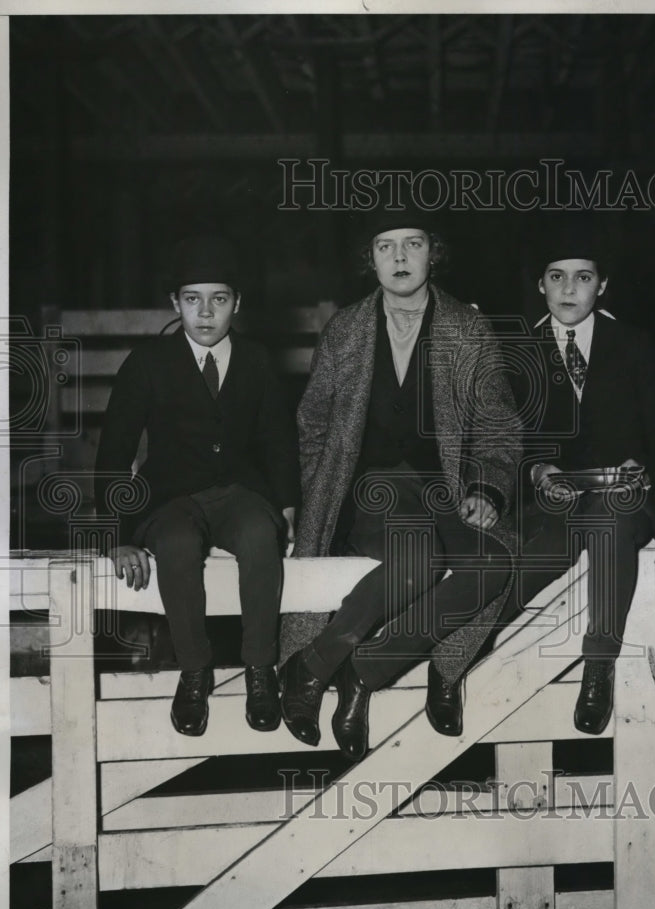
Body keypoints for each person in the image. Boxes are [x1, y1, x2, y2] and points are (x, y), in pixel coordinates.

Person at [279, 213, 522, 762]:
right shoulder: (345, 329)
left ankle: (346, 667)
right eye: (385, 246)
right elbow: (312, 425)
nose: (400, 257)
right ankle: (328, 663)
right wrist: (310, 505)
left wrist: (487, 487)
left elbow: (498, 426)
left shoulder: (467, 328)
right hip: (372, 490)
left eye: (413, 244)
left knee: (492, 563)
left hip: (447, 489)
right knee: (417, 561)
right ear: (370, 259)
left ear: (433, 253)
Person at [94, 235, 300, 736]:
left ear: (237, 303)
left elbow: (278, 438)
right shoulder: (147, 363)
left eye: (219, 299)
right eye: (192, 299)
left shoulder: (255, 360)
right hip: (170, 499)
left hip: (239, 494)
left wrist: (290, 507)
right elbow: (114, 451)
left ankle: (259, 670)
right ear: (174, 304)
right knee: (179, 544)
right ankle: (193, 671)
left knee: (258, 534)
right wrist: (116, 535)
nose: (205, 313)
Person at [499, 226, 655, 735]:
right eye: (556, 277)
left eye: (583, 278)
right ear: (540, 285)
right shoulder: (517, 351)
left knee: (609, 517)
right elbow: (498, 443)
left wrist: (642, 471)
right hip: (551, 506)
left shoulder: (633, 345)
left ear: (602, 286)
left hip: (625, 501)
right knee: (509, 565)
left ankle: (597, 668)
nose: (568, 289)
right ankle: (462, 663)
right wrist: (536, 469)